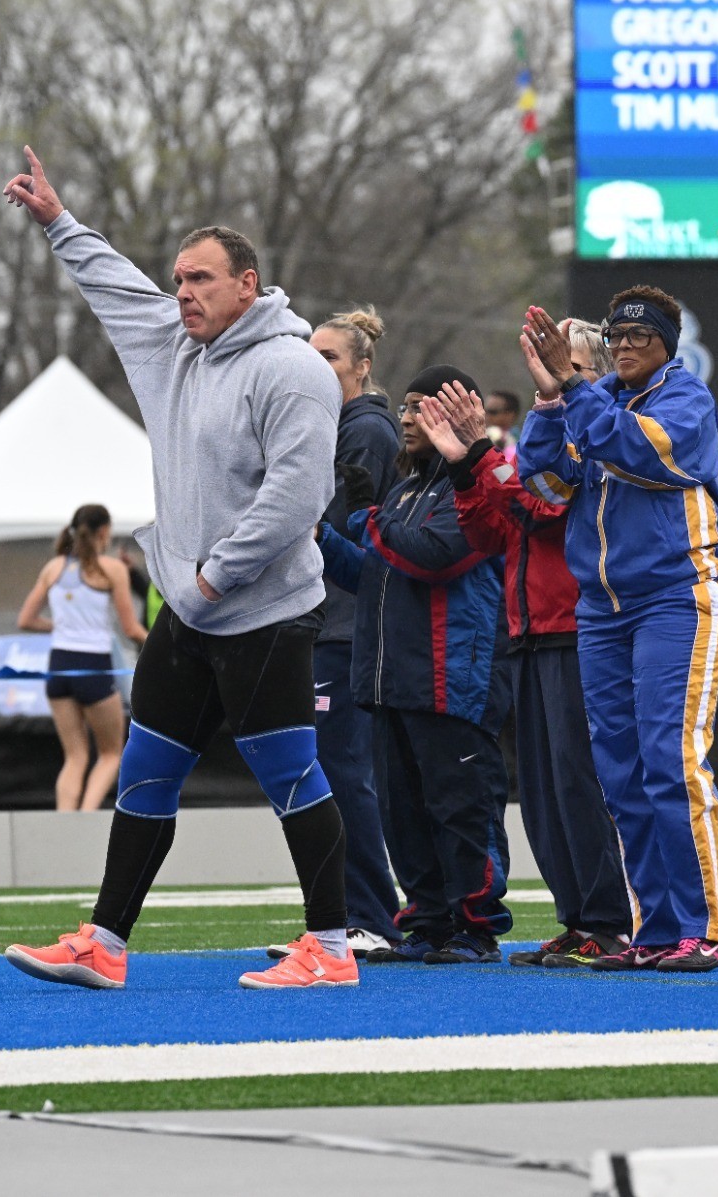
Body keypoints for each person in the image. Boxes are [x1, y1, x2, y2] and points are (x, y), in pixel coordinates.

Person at [1, 147, 352, 991]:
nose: (183, 292)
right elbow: (114, 283)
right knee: (147, 773)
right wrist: (57, 221)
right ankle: (105, 943)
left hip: (263, 613)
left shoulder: (295, 369)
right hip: (190, 616)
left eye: (200, 278)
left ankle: (332, 948)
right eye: (179, 279)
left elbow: (297, 498)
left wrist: (207, 580)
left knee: (291, 775)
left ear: (248, 284)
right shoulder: (174, 345)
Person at [517, 294, 718, 971]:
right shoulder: (595, 397)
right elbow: (548, 483)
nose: (625, 345)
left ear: (669, 343)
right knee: (620, 772)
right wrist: (550, 401)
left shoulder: (687, 400)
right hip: (602, 609)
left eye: (642, 334)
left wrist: (579, 391)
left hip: (677, 594)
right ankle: (656, 928)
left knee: (670, 759)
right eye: (617, 334)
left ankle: (708, 927)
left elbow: (642, 451)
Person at [438, 328, 636, 969]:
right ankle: (579, 918)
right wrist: (472, 473)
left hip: (581, 629)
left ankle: (610, 922)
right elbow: (492, 530)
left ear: (594, 375)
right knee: (545, 793)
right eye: (545, 368)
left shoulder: (599, 433)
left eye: (568, 367)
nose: (550, 377)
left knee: (580, 782)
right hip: (528, 629)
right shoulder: (542, 439)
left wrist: (481, 461)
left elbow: (543, 505)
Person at [318, 363, 514, 963]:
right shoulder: (403, 491)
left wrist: (364, 520)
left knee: (460, 806)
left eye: (419, 408)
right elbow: (371, 573)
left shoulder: (470, 488)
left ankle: (476, 927)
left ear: (455, 414)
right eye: (404, 407)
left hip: (450, 676)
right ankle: (428, 919)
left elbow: (435, 557)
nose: (405, 418)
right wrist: (321, 535)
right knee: (403, 811)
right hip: (391, 675)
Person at [293, 308, 404, 959]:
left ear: (362, 365)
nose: (317, 367)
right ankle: (343, 914)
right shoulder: (332, 425)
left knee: (340, 772)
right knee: (325, 772)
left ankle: (370, 915)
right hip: (324, 621)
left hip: (344, 624)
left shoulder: (362, 431)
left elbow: (329, 528)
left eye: (330, 357)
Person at [16, 503, 150, 812]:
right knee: (110, 754)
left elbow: (25, 620)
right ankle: (86, 816)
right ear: (104, 532)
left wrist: (62, 626)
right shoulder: (111, 569)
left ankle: (65, 820)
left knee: (74, 757)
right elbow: (130, 628)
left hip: (59, 667)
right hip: (93, 668)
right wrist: (164, 642)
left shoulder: (54, 567)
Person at [484, 389, 523, 458]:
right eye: (484, 410)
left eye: (492, 412)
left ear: (510, 414)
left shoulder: (521, 445)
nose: (486, 415)